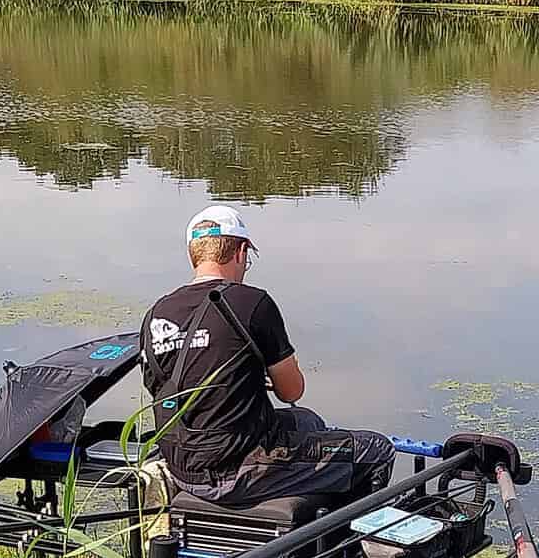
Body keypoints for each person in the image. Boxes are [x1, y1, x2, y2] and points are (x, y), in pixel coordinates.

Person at [140, 205, 395, 507]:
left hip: (184, 467)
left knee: (306, 420)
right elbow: (291, 391)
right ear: (241, 251)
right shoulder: (252, 303)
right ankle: (337, 533)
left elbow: (167, 387)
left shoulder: (155, 313)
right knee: (377, 450)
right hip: (238, 469)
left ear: (193, 254)